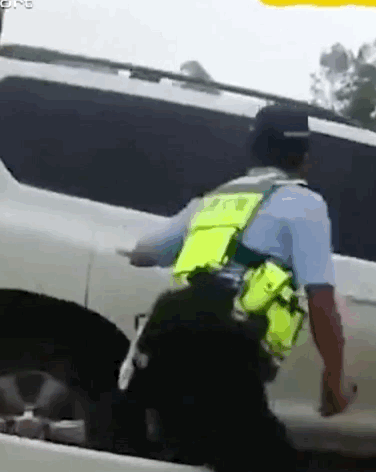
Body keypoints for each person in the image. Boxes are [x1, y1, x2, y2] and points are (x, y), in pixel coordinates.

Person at [117, 103, 356, 472]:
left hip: (168, 334)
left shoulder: (212, 200)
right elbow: (321, 299)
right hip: (226, 348)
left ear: (253, 151)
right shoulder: (305, 205)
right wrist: (334, 379)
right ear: (305, 158)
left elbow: (145, 252)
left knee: (190, 453)